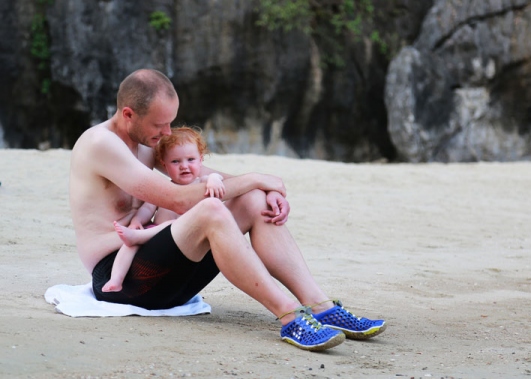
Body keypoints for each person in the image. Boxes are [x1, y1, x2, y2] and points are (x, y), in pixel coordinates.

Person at [69, 68, 386, 351]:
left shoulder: (144, 142)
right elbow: (179, 199)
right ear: (128, 114)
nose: (167, 133)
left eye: (170, 123)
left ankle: (320, 306)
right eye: (160, 124)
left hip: (166, 275)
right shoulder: (101, 144)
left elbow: (199, 178)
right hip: (122, 279)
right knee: (211, 209)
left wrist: (265, 189)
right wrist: (256, 178)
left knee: (252, 202)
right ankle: (289, 316)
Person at [102, 126, 225, 293]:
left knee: (174, 223)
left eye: (190, 159)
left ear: (200, 160)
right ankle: (116, 279)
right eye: (175, 161)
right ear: (165, 165)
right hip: (156, 237)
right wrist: (137, 221)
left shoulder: (203, 183)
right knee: (130, 245)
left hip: (183, 237)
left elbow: (217, 178)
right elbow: (147, 208)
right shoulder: (164, 188)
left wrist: (214, 179)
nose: (184, 166)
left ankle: (137, 237)